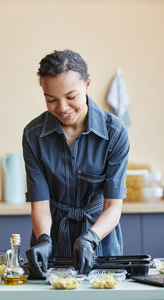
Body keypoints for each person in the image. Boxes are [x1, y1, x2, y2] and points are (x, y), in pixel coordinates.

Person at [22, 50, 129, 277]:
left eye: (71, 97)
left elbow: (113, 206)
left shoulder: (115, 133)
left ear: (88, 84)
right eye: (51, 99)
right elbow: (40, 204)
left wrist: (90, 238)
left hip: (100, 239)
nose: (62, 107)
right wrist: (43, 239)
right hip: (52, 238)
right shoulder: (33, 135)